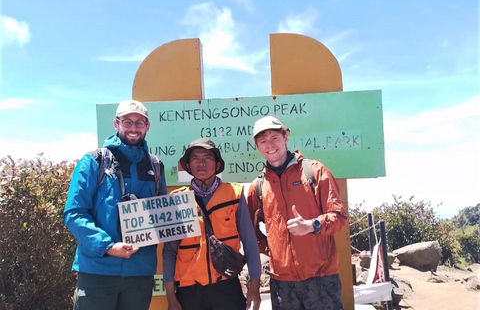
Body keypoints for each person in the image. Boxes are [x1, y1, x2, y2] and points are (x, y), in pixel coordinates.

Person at [63, 99, 167, 310]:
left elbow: (161, 215)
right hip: (97, 271)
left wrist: (182, 219)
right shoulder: (94, 161)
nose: (133, 128)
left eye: (139, 123)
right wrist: (108, 246)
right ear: (116, 123)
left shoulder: (155, 165)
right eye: (127, 122)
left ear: (147, 126)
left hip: (140, 273)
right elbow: (74, 213)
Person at [247, 116, 348, 310]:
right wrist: (272, 249)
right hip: (282, 284)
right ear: (257, 146)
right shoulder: (258, 186)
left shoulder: (315, 171)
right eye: (263, 141)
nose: (270, 145)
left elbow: (339, 217)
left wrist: (312, 225)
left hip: (322, 278)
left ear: (286, 137)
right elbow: (250, 233)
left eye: (274, 137)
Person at [162, 138, 262, 310]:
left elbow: (250, 243)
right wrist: (171, 297)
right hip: (188, 291)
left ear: (217, 165)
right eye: (195, 158)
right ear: (188, 166)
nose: (201, 163)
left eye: (207, 157)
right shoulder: (176, 200)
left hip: (226, 287)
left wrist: (254, 287)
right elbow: (169, 251)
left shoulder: (234, 194)